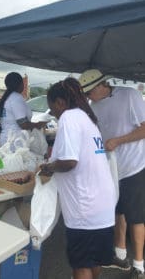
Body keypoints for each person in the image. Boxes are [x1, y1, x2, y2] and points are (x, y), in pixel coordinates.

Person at [39, 77, 116, 279]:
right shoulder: (87, 118)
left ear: (60, 102)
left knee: (81, 263)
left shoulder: (69, 117)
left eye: (52, 107)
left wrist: (48, 167)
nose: (54, 113)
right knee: (94, 259)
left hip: (85, 207)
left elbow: (69, 161)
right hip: (103, 204)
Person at [79, 69, 145, 279]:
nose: (88, 97)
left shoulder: (129, 95)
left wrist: (118, 140)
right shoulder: (93, 106)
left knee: (136, 217)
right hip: (111, 168)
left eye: (89, 92)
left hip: (134, 166)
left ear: (101, 86)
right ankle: (120, 255)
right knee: (117, 211)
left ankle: (139, 265)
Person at [0, 72, 46, 148]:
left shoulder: (8, 97)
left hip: (7, 139)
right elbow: (23, 124)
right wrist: (38, 125)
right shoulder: (16, 98)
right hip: (15, 141)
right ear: (20, 84)